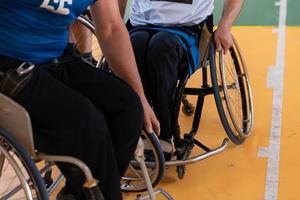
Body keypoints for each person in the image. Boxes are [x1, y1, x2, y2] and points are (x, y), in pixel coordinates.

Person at [0, 0, 160, 200]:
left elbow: (111, 28)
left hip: (57, 59)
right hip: (9, 63)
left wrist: (140, 96)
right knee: (87, 123)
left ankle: (79, 194)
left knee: (127, 109)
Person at [121, 0, 244, 160]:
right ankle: (137, 130)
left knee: (161, 47)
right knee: (134, 46)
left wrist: (225, 25)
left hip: (188, 29)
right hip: (141, 24)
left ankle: (164, 134)